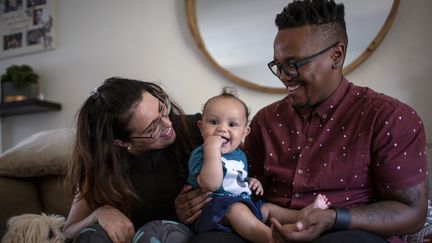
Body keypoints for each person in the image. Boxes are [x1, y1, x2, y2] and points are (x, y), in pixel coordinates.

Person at [176, 0, 429, 242]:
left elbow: (412, 213)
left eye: (294, 64)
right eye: (278, 65)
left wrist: (334, 218)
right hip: (267, 228)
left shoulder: (388, 117)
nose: (285, 77)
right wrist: (191, 200)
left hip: (346, 232)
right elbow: (237, 184)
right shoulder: (266, 121)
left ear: (336, 55)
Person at [63, 77, 206, 243]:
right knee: (91, 234)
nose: (168, 124)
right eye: (152, 128)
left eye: (161, 108)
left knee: (158, 234)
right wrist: (100, 213)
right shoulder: (103, 164)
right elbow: (68, 230)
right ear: (121, 142)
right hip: (131, 238)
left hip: (178, 235)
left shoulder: (199, 129)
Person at [187, 88, 330, 242]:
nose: (222, 128)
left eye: (232, 124)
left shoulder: (240, 155)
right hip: (214, 210)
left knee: (267, 208)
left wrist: (249, 181)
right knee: (237, 210)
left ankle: (301, 217)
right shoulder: (201, 154)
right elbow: (212, 184)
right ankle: (270, 237)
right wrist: (212, 149)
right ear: (201, 127)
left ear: (244, 133)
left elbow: (234, 180)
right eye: (214, 122)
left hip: (242, 203)